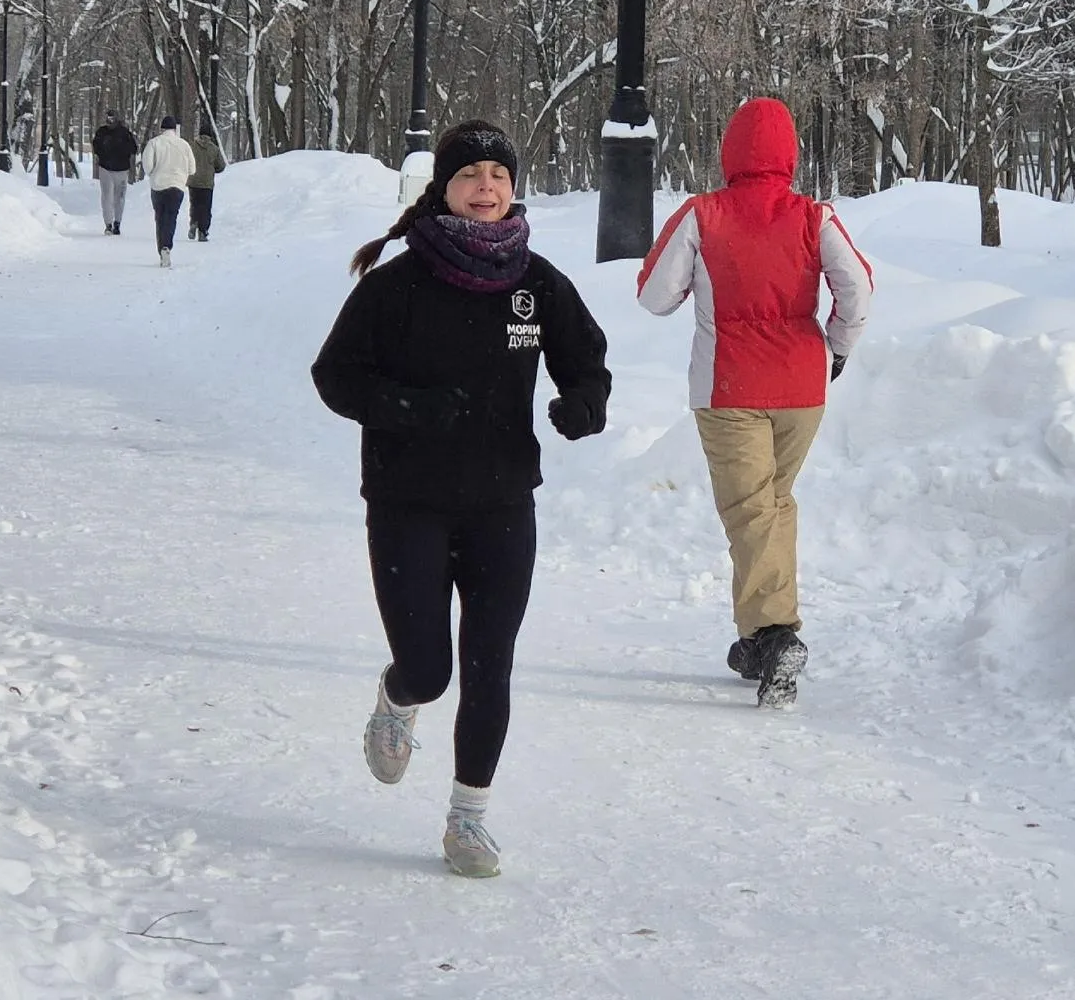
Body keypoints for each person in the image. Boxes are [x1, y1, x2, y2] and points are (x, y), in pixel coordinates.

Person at [311, 120, 611, 878]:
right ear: (443, 190)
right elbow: (335, 377)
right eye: (471, 174)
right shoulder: (395, 286)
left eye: (499, 176)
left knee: (490, 663)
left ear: (514, 191)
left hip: (503, 502)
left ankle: (467, 820)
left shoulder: (536, 282)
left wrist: (582, 406)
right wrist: (408, 409)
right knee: (430, 667)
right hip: (408, 499)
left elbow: (588, 362)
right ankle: (397, 696)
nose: (487, 187)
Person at [635, 96, 873, 710]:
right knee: (771, 505)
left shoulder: (703, 214)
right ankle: (756, 638)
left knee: (749, 510)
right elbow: (859, 289)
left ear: (730, 150)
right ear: (789, 153)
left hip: (729, 386)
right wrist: (837, 347)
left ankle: (775, 634)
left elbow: (654, 297)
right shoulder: (813, 216)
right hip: (802, 386)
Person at [140, 115, 196, 268]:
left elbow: (147, 166)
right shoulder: (184, 145)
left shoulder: (154, 143)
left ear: (162, 128)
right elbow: (192, 168)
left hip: (158, 186)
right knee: (171, 217)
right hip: (177, 186)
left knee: (160, 217)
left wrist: (154, 173)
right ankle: (167, 247)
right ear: (174, 129)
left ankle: (161, 249)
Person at [90, 110, 139, 235]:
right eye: (108, 117)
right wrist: (101, 155)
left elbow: (134, 148)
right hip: (106, 168)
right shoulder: (101, 132)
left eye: (112, 118)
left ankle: (117, 222)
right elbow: (95, 146)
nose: (110, 120)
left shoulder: (125, 133)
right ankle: (108, 224)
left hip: (122, 170)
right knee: (107, 197)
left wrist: (124, 152)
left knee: (120, 198)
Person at [187, 122, 227, 242]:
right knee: (206, 208)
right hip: (207, 183)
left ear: (199, 134)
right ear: (210, 136)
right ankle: (203, 231)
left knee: (194, 204)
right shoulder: (214, 149)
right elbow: (221, 166)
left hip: (193, 181)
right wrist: (213, 170)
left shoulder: (192, 146)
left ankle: (194, 222)